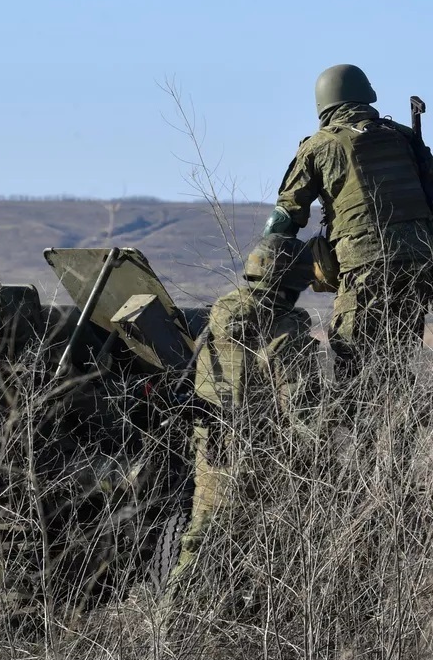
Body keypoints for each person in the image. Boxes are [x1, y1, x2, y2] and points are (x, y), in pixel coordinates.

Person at [264, 64, 433, 394]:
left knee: (352, 364)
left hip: (364, 267)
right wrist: (426, 248)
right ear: (366, 96)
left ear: (324, 104)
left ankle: (358, 444)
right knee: (398, 365)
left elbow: (285, 219)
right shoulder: (404, 137)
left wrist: (264, 276)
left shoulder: (319, 146)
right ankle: (401, 442)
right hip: (419, 266)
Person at [163, 234, 323, 612]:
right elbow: (303, 411)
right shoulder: (286, 330)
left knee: (203, 537)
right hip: (262, 458)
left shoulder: (218, 317)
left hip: (213, 450)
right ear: (295, 280)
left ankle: (178, 623)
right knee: (265, 550)